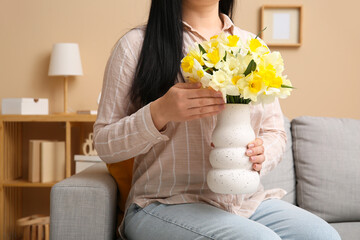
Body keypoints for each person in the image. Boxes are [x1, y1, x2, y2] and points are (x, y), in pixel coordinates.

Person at [94, 0, 341, 239]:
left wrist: (261, 154)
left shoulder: (251, 46)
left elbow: (275, 133)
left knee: (324, 236)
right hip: (162, 203)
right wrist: (159, 112)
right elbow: (104, 144)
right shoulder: (135, 45)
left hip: (244, 203)